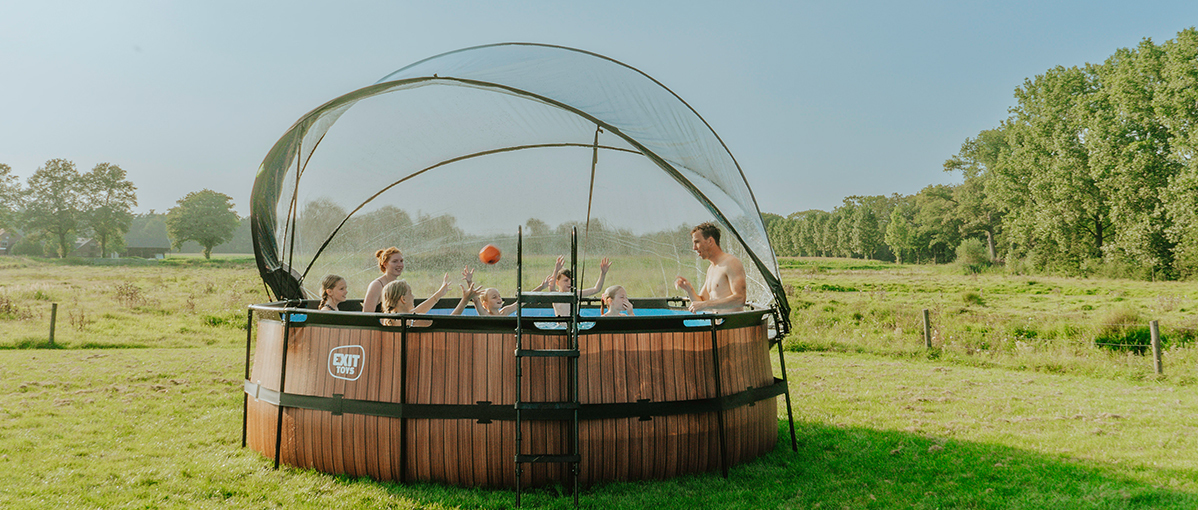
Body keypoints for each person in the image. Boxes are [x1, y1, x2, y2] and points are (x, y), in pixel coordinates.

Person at [674, 222, 747, 312]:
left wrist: (706, 304)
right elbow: (701, 302)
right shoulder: (711, 269)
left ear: (710, 241)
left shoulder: (731, 263)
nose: (694, 248)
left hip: (733, 325)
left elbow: (740, 299)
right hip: (717, 324)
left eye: (697, 242)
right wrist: (689, 289)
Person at [379, 274, 469, 327]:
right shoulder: (417, 322)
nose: (413, 296)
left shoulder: (388, 321)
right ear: (403, 299)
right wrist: (464, 301)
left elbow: (416, 311)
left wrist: (439, 293)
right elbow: (447, 324)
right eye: (410, 293)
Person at [362, 247, 404, 313]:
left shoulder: (400, 285)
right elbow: (367, 314)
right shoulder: (376, 285)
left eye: (401, 261)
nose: (399, 265)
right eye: (394, 261)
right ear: (385, 264)